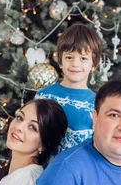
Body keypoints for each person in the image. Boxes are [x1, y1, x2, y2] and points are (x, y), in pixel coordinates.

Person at [36, 22, 102, 150]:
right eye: (69, 57)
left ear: (94, 64)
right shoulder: (43, 96)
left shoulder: (97, 104)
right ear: (60, 61)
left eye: (83, 58)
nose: (75, 64)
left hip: (79, 168)